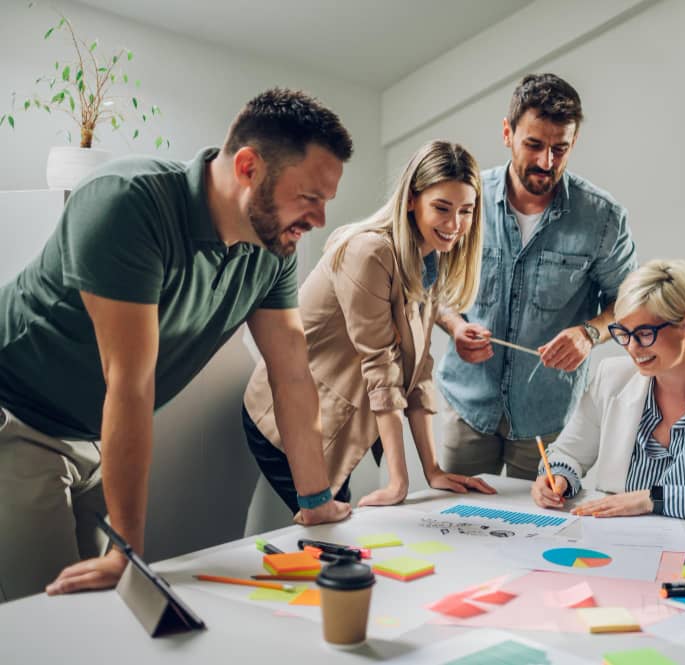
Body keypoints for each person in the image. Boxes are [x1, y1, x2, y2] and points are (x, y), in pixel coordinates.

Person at [0, 88, 354, 602]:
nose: (319, 219)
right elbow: (130, 383)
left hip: (95, 435)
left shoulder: (272, 249)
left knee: (105, 608)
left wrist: (316, 500)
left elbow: (292, 374)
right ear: (250, 167)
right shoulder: (127, 201)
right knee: (42, 614)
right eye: (310, 198)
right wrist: (128, 551)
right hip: (18, 417)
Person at [244, 141, 496, 511]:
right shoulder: (370, 253)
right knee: (331, 538)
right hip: (283, 422)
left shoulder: (431, 260)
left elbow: (417, 369)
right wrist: (399, 482)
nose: (454, 225)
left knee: (339, 536)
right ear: (412, 199)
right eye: (441, 208)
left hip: (332, 422)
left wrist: (433, 471)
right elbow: (381, 365)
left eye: (466, 211)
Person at [436, 73, 637, 480]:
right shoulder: (465, 199)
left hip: (550, 417)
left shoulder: (603, 218)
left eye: (559, 149)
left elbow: (631, 303)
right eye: (534, 145)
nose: (547, 162)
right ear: (507, 133)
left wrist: (589, 334)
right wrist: (455, 326)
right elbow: (429, 284)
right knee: (458, 530)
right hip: (467, 405)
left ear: (573, 143)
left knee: (540, 533)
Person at [531, 259, 685, 523]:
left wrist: (652, 499)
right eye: (623, 333)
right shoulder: (611, 376)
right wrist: (558, 477)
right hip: (615, 544)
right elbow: (568, 454)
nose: (632, 348)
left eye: (644, 333)